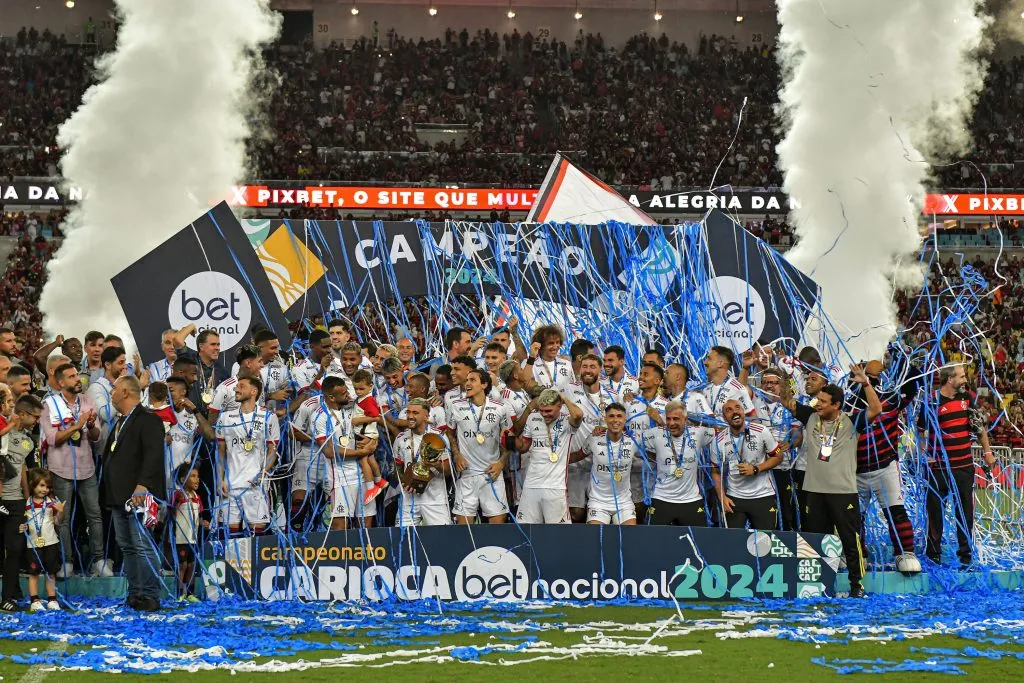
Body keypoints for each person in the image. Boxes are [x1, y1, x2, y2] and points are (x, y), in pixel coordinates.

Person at [782, 367, 881, 598]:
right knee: (815, 540)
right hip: (813, 491)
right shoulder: (810, 416)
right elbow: (786, 400)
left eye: (824, 402)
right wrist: (787, 377)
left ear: (836, 405)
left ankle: (857, 585)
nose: (818, 404)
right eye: (818, 400)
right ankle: (818, 585)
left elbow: (876, 408)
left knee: (850, 540)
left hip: (843, 491)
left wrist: (866, 383)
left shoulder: (852, 421)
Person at [103, 375, 166, 611]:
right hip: (119, 495)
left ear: (126, 392)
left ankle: (150, 594)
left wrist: (143, 485)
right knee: (127, 546)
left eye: (115, 389)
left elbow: (153, 455)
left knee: (142, 545)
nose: (111, 393)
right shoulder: (120, 422)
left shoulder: (148, 420)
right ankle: (136, 592)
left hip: (139, 494)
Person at [854, 360, 921, 573]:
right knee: (855, 516)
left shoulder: (891, 399)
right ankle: (858, 554)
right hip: (855, 470)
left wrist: (900, 358)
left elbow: (914, 383)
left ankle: (905, 553)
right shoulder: (848, 402)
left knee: (896, 512)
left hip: (885, 466)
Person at [925, 365, 995, 568]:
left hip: (964, 467)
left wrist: (988, 452)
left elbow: (979, 427)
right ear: (949, 379)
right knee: (935, 513)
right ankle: (933, 555)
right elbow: (922, 430)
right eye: (962, 376)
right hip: (938, 468)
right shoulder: (931, 401)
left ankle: (966, 556)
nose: (965, 379)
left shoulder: (968, 398)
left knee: (964, 513)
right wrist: (925, 455)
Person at [40, 363, 105, 578]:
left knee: (94, 515)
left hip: (87, 467)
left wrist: (92, 426)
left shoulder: (87, 401)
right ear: (61, 383)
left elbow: (96, 438)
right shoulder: (49, 404)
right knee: (63, 518)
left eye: (77, 375)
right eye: (71, 376)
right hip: (60, 467)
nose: (78, 379)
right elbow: (51, 439)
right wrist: (77, 426)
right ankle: (66, 562)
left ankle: (99, 561)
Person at [446, 369, 514, 524]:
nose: (467, 383)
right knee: (464, 532)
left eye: (472, 380)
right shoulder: (455, 405)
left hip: (492, 475)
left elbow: (509, 440)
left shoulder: (500, 408)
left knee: (497, 531)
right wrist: (456, 454)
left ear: (484, 384)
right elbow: (449, 433)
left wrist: (501, 463)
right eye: (467, 380)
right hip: (466, 475)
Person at [512, 388, 589, 524]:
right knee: (526, 530)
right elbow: (524, 447)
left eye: (548, 411)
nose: (544, 414)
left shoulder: (567, 420)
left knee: (558, 534)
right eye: (541, 410)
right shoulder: (532, 418)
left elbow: (578, 415)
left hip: (556, 487)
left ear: (559, 406)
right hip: (531, 485)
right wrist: (512, 441)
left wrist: (563, 398)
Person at [313, 376, 379, 530]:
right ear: (331, 397)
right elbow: (329, 451)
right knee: (340, 525)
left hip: (363, 474)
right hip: (340, 479)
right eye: (343, 393)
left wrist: (372, 442)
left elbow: (368, 429)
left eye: (347, 391)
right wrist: (361, 451)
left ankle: (365, 554)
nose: (349, 395)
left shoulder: (351, 408)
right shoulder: (320, 416)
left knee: (366, 522)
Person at [216, 376, 279, 535]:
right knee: (230, 538)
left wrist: (262, 473)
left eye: (241, 386)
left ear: (253, 391)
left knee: (257, 537)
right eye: (236, 386)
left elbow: (273, 450)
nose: (236, 389)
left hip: (255, 485)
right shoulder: (225, 417)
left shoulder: (268, 417)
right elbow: (221, 452)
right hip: (230, 485)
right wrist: (219, 479)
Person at [710, 399, 784, 530]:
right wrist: (722, 497)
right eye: (729, 410)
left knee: (766, 541)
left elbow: (778, 456)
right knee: (733, 541)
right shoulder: (718, 441)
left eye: (738, 408)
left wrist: (756, 469)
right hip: (735, 498)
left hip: (762, 495)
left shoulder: (761, 431)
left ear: (743, 411)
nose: (734, 412)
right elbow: (715, 471)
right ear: (724, 417)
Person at [0, 395, 42, 612]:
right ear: (23, 413)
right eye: (35, 416)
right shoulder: (3, 429)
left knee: (15, 549)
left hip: (16, 501)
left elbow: (27, 472)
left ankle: (9, 597)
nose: (37, 420)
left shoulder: (29, 441)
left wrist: (28, 501)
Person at [644, 400, 715, 526]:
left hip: (691, 499)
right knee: (653, 541)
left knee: (700, 541)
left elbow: (722, 431)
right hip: (662, 498)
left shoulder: (698, 433)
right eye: (668, 419)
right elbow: (630, 440)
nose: (671, 423)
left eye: (676, 419)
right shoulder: (655, 434)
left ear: (685, 419)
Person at [751, 367, 802, 531]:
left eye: (773, 383)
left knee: (786, 512)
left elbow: (798, 434)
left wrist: (791, 443)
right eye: (765, 383)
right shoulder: (754, 402)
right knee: (765, 513)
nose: (769, 386)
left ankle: (787, 549)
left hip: (783, 467)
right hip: (760, 467)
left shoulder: (791, 404)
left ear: (782, 385)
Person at [571, 403, 639, 525]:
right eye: (611, 416)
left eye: (619, 416)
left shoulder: (634, 440)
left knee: (629, 539)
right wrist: (557, 460)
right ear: (605, 419)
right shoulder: (594, 438)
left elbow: (651, 455)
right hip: (598, 503)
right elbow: (578, 455)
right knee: (596, 539)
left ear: (625, 419)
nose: (615, 420)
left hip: (624, 503)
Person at [394, 398, 452, 527]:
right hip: (408, 500)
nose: (410, 416)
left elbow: (448, 470)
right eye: (408, 412)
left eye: (415, 413)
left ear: (426, 416)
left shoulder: (439, 436)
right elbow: (398, 467)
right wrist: (405, 481)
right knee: (402, 540)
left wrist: (433, 463)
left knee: (441, 539)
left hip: (434, 500)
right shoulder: (400, 438)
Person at [625, 362, 669, 520]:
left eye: (645, 374)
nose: (640, 377)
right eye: (640, 374)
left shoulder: (666, 405)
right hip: (633, 466)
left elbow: (674, 434)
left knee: (654, 508)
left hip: (656, 467)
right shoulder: (630, 402)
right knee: (635, 508)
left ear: (657, 381)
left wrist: (659, 420)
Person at [566, 353, 607, 522]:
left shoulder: (611, 394)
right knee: (576, 513)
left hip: (601, 466)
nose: (588, 370)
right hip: (576, 463)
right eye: (584, 366)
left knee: (599, 512)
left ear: (600, 369)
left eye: (592, 367)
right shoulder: (569, 389)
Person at [20, 469, 64, 612]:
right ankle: (35, 601)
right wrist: (22, 527)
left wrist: (60, 511)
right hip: (32, 544)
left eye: (47, 486)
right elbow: (23, 523)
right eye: (42, 486)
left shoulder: (52, 502)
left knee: (51, 573)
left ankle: (52, 600)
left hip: (51, 542)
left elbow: (57, 522)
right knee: (33, 573)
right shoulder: (26, 502)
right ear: (33, 485)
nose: (45, 489)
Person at [170, 463, 208, 602]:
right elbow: (171, 511)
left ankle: (190, 593)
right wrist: (176, 503)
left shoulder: (196, 496)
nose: (196, 479)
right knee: (182, 565)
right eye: (192, 476)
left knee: (192, 565)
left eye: (197, 476)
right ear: (182, 479)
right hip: (181, 538)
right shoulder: (178, 494)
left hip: (193, 538)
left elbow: (198, 516)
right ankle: (180, 593)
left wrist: (202, 523)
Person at [350, 369, 387, 504]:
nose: (358, 391)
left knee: (363, 460)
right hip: (367, 434)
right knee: (371, 459)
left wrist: (357, 421)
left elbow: (376, 417)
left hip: (365, 434)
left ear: (370, 386)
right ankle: (379, 481)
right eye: (356, 388)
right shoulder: (360, 398)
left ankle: (371, 488)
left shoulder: (369, 400)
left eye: (361, 388)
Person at [701, 346, 755, 418]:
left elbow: (753, 419)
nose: (705, 362)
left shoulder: (737, 389)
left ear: (720, 363)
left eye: (709, 359)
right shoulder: (704, 389)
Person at [525, 325, 574, 392]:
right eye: (551, 343)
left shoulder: (567, 363)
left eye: (557, 342)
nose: (555, 346)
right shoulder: (532, 365)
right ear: (541, 345)